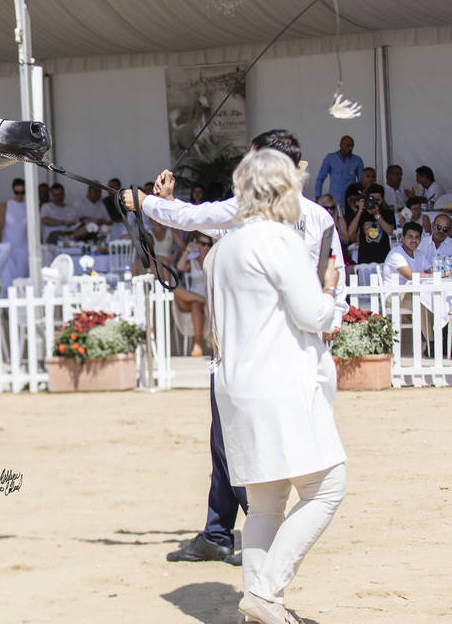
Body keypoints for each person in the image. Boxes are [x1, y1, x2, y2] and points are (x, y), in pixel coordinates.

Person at [123, 129, 345, 567]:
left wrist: (146, 201)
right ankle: (219, 530)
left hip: (247, 353)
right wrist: (332, 313)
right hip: (298, 349)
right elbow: (331, 272)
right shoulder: (318, 217)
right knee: (228, 441)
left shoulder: (248, 216)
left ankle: (252, 540)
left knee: (251, 453)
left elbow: (193, 218)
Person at [208, 149, 344, 624]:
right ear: (283, 189)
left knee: (264, 506)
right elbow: (313, 315)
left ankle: (259, 611)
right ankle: (266, 594)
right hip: (279, 381)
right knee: (327, 487)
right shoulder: (280, 239)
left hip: (235, 384)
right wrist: (327, 288)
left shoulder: (223, 246)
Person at [174, 233, 213, 356]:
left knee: (196, 305)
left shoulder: (214, 261)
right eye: (203, 244)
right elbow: (179, 267)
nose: (206, 247)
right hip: (194, 295)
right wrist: (187, 251)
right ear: (197, 245)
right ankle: (203, 300)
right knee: (176, 289)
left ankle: (197, 344)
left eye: (209, 244)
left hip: (207, 297)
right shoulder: (192, 261)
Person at [344, 183, 395, 265]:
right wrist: (360, 211)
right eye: (372, 199)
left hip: (383, 259)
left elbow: (389, 231)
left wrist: (376, 214)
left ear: (383, 199)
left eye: (377, 200)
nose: (375, 203)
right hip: (365, 260)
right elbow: (350, 233)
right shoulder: (362, 214)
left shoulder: (387, 213)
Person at [0, 178, 29, 283]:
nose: (20, 195)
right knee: (8, 278)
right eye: (17, 192)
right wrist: (1, 247)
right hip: (8, 247)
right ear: (13, 191)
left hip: (24, 248)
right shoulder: (5, 206)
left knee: (22, 278)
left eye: (22, 192)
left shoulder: (28, 206)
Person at [314, 134, 363, 202]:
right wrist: (318, 196)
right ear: (341, 145)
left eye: (352, 146)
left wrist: (360, 197)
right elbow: (320, 178)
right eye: (348, 145)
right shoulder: (330, 158)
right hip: (334, 199)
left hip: (351, 200)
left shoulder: (357, 160)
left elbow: (362, 181)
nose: (350, 148)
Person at [316, 194, 351, 265]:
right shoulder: (316, 221)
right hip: (320, 255)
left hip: (337, 254)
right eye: (326, 208)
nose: (329, 210)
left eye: (332, 208)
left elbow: (346, 239)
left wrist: (334, 232)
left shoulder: (339, 220)